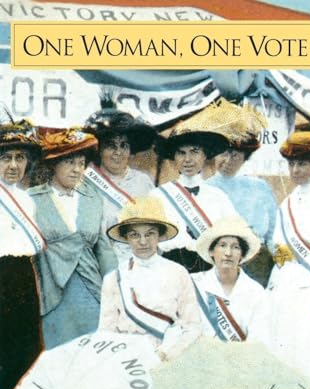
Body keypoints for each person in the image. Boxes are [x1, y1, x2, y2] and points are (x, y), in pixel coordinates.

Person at [29, 127, 118, 350]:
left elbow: (104, 250)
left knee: (92, 354)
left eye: (81, 163)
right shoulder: (31, 199)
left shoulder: (93, 198)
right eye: (70, 162)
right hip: (50, 291)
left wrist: (115, 290)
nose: (77, 169)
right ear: (54, 163)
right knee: (56, 355)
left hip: (91, 290)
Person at [266, 130, 310, 389]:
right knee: (285, 357)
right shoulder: (286, 203)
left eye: (303, 163)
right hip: (285, 288)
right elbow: (279, 252)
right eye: (292, 164)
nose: (296, 170)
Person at [98, 196, 202, 362]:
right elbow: (106, 330)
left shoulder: (178, 272)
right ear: (126, 238)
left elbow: (192, 326)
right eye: (134, 235)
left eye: (150, 234)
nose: (143, 241)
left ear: (160, 236)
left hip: (170, 356)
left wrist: (165, 354)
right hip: (128, 360)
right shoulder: (114, 278)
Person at [205, 99, 276, 286]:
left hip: (255, 262)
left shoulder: (260, 187)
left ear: (245, 157)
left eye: (236, 155)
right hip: (217, 259)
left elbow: (272, 234)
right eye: (224, 153)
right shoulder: (205, 188)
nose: (228, 160)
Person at [0, 116, 43, 389]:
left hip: (21, 278)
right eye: (5, 158)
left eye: (19, 158)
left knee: (24, 349)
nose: (14, 165)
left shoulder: (27, 199)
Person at [152, 126, 237, 273]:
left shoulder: (218, 197)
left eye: (194, 152)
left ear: (205, 155)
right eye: (181, 153)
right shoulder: (158, 196)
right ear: (174, 157)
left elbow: (234, 234)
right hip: (170, 269)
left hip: (211, 270)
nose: (187, 160)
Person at [84, 101, 156, 263]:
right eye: (111, 146)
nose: (118, 152)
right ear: (99, 149)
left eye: (124, 146)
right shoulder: (85, 181)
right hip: (98, 263)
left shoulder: (143, 182)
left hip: (138, 263)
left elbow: (154, 227)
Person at [192, 216, 265, 341]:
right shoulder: (194, 284)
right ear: (211, 251)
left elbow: (258, 338)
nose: (228, 253)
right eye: (222, 245)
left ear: (242, 254)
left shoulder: (256, 291)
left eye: (236, 247)